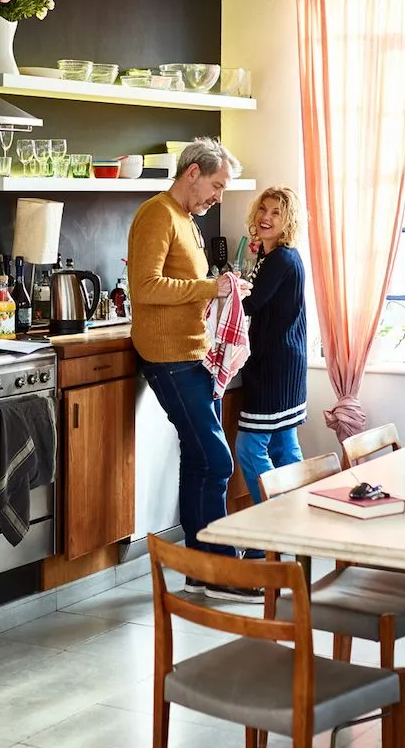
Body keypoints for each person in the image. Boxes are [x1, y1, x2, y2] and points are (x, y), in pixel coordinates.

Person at [127, 137, 258, 602]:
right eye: (217, 186)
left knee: (200, 458)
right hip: (167, 357)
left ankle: (201, 569)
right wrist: (209, 288)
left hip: (193, 353)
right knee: (216, 458)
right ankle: (217, 569)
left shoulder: (186, 220)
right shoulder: (156, 215)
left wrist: (219, 291)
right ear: (192, 174)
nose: (218, 196)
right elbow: (145, 287)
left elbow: (183, 283)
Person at [235, 186, 307, 505]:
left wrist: (222, 292)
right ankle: (294, 519)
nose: (266, 217)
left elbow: (250, 304)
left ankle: (272, 521)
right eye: (263, 209)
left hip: (274, 366)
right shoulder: (278, 256)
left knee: (249, 449)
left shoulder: (279, 259)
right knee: (284, 446)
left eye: (276, 213)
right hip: (288, 364)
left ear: (288, 221)